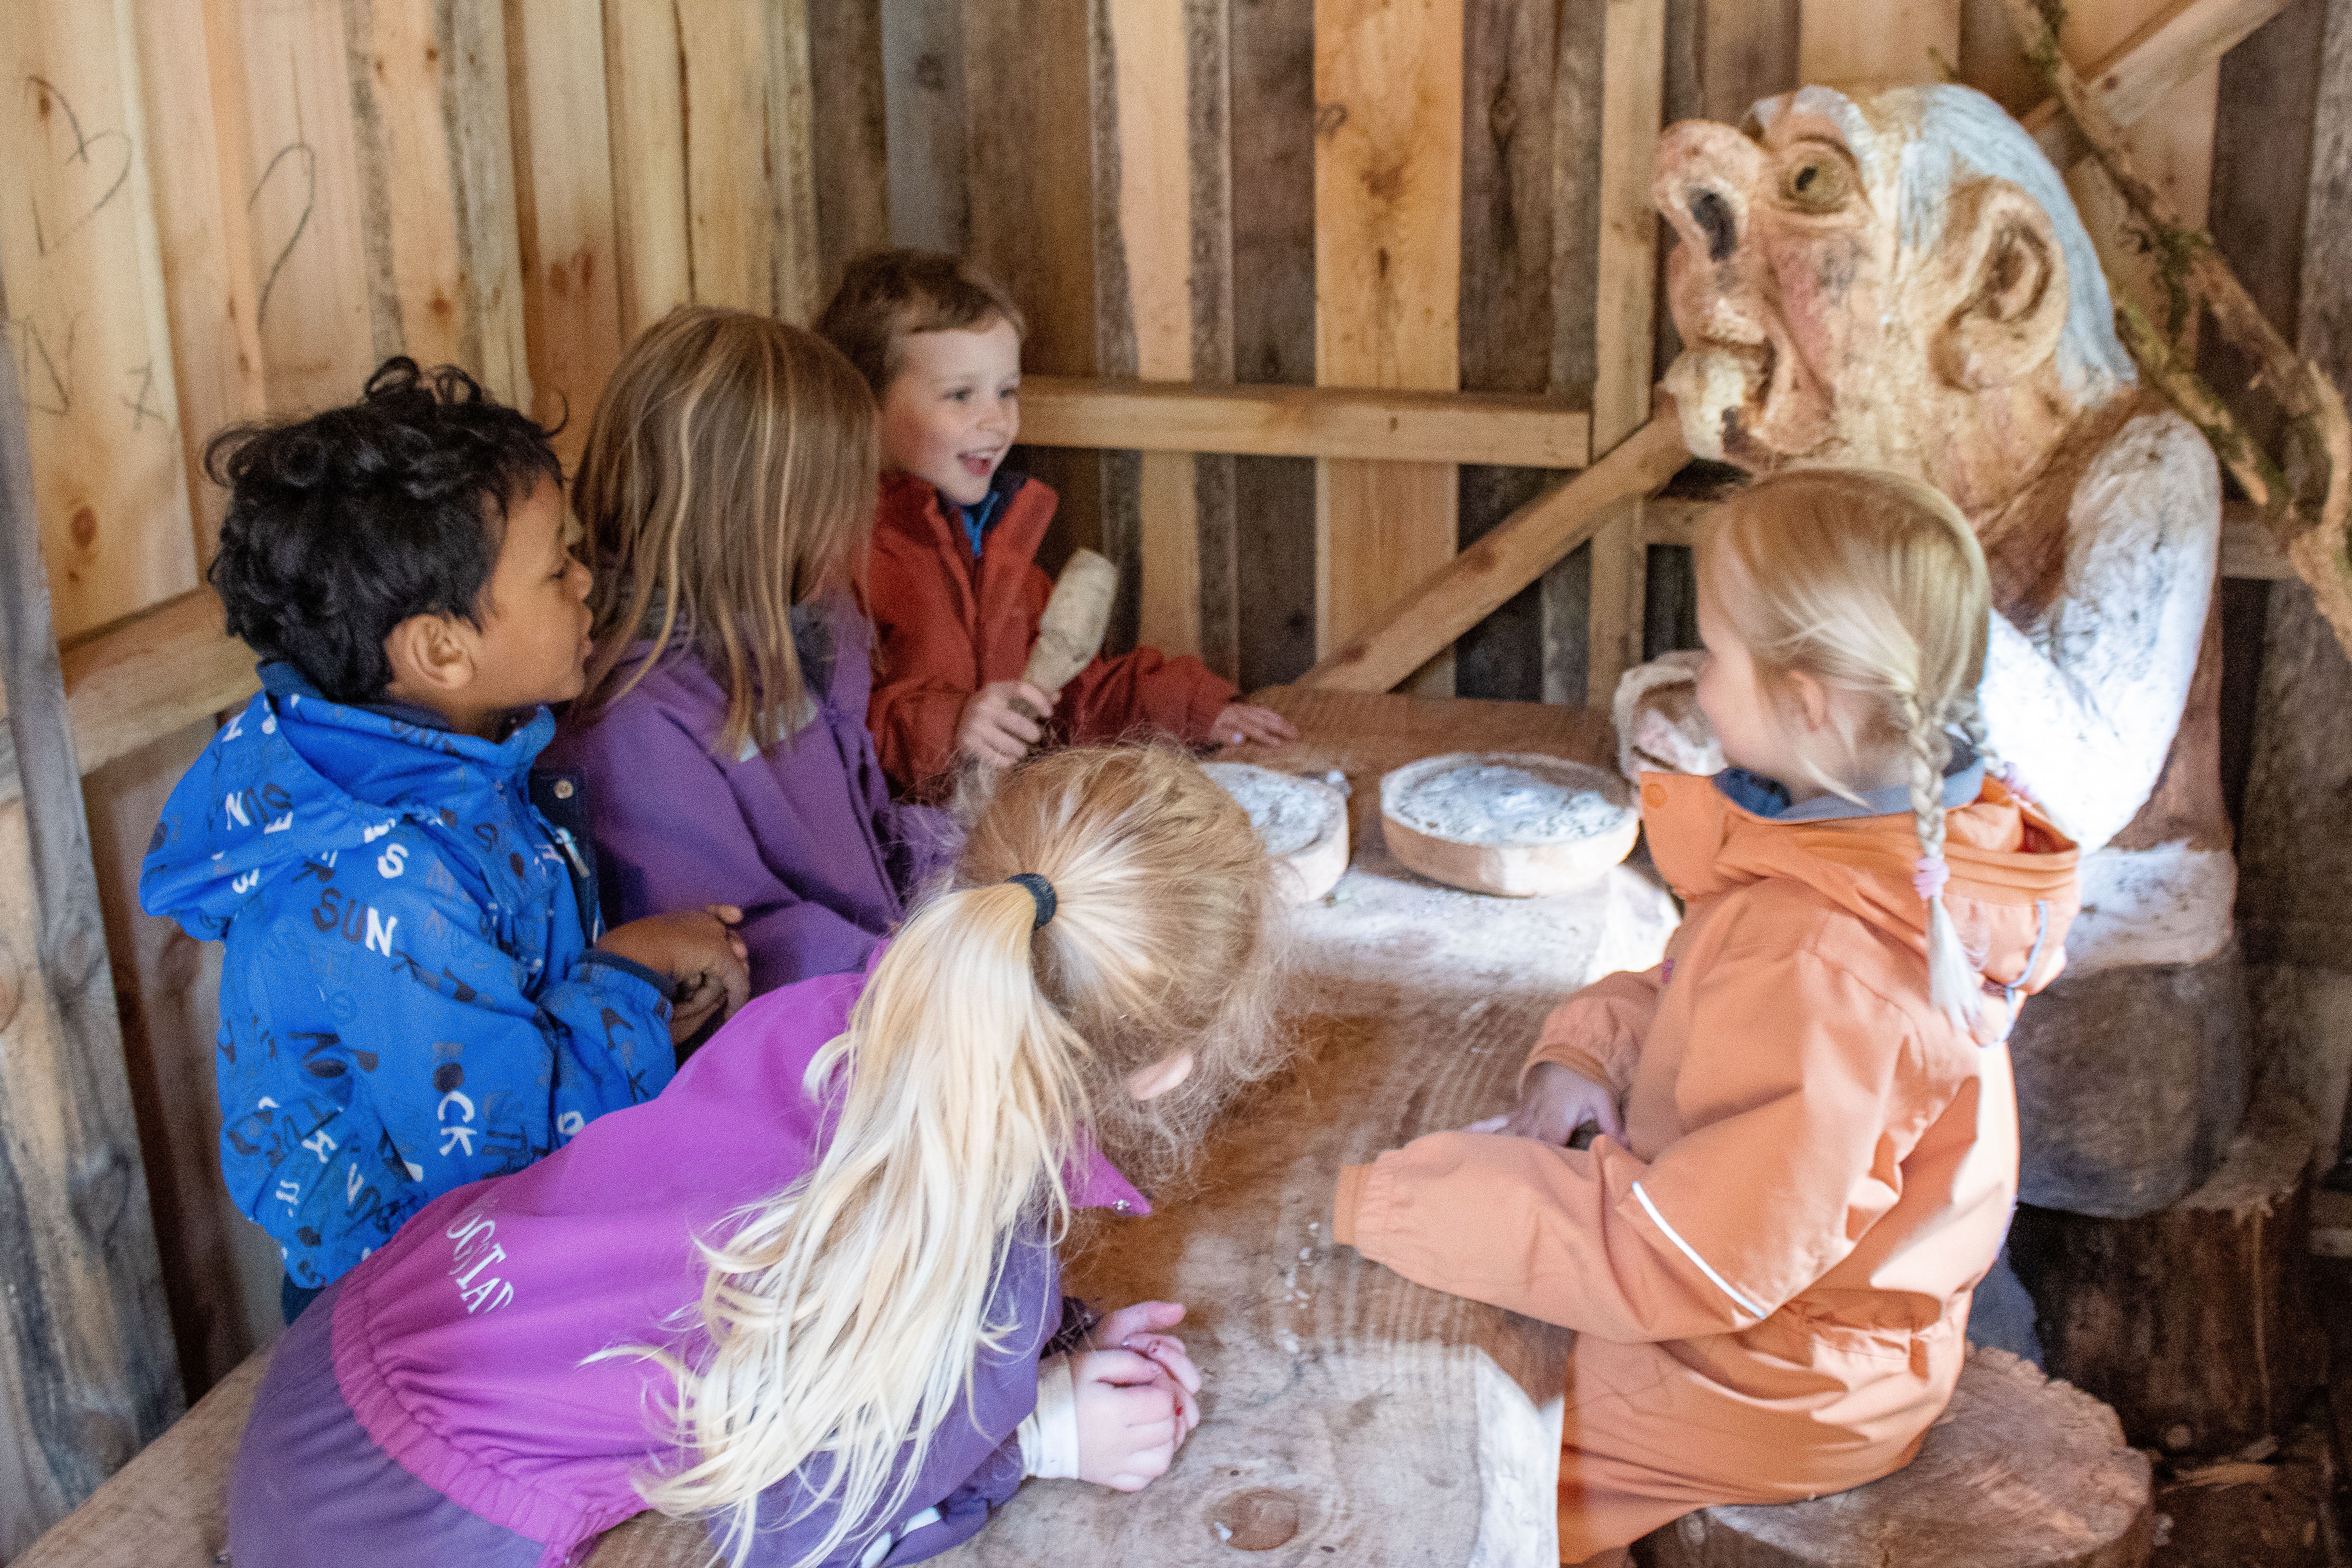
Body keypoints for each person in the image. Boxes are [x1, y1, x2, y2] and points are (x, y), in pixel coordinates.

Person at [225, 746, 1289, 1568]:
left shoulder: (827, 1011)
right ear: (1166, 1069)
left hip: (355, 1339)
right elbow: (797, 1524)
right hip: (399, 1516)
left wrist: (1036, 1346)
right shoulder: (970, 1255)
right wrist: (1036, 1431)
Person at [1329, 470, 2081, 1564]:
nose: (1695, 672)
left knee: (1432, 1439)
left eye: (1715, 650)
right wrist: (1586, 1051)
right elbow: (1699, 989)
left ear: (1808, 704)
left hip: (1773, 1379)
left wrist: (1391, 1203)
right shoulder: (1866, 856)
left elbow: (1687, 1260)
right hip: (1777, 1311)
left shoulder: (1830, 961)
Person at [140, 360, 749, 1318]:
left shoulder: (452, 765)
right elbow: (502, 1154)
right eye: (556, 569)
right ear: (440, 650)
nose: (587, 581)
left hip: (475, 1246)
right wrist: (633, 972)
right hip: (414, 1303)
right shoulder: (380, 883)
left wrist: (633, 1011)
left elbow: (505, 1026)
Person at [543, 308, 958, 998]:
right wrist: (930, 976)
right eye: (835, 501)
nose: (855, 523)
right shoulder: (633, 728)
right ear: (755, 522)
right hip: (815, 1027)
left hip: (880, 985)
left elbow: (865, 844)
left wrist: (979, 857)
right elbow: (741, 951)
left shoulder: (794, 639)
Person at [814, 249, 1296, 798]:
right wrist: (952, 727)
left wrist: (1193, 710)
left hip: (1001, 820)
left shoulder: (995, 549)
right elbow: (821, 733)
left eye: (1006, 392)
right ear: (861, 408)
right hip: (894, 842)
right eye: (961, 395)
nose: (997, 421)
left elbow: (1070, 695)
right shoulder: (834, 559)